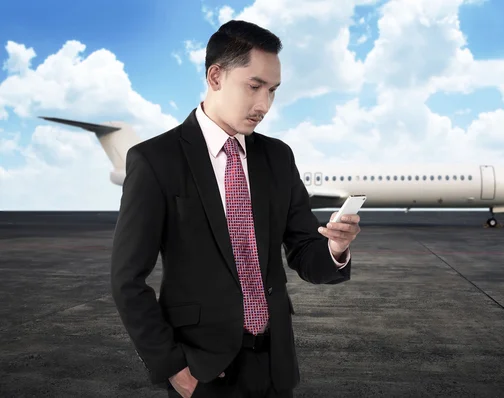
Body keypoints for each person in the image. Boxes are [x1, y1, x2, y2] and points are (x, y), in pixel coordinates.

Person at [110, 19, 361, 398]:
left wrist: (335, 249)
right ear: (215, 76)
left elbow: (305, 253)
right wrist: (173, 366)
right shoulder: (155, 160)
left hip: (275, 366)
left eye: (273, 91)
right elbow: (127, 280)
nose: (264, 105)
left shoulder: (277, 156)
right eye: (254, 86)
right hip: (201, 371)